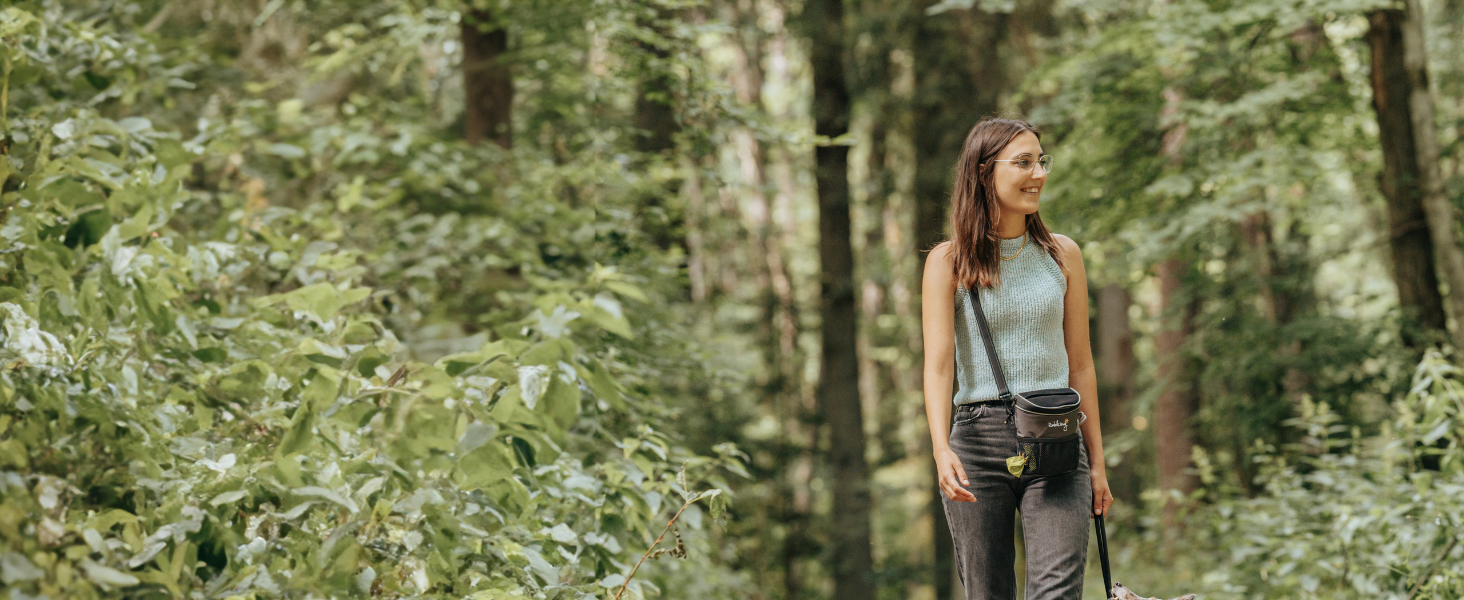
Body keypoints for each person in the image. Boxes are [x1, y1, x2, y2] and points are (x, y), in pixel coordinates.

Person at [921, 117, 1113, 600]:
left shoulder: (1062, 254)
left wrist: (1098, 464)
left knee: (1056, 593)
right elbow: (939, 366)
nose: (1039, 174)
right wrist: (942, 450)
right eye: (1023, 162)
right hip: (977, 446)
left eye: (1041, 161)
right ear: (985, 173)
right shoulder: (947, 261)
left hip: (1056, 437)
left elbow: (1081, 364)